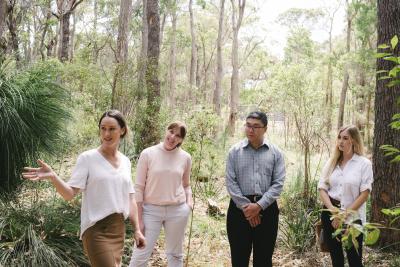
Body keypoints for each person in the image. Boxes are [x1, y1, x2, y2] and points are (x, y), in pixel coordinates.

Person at [22, 110, 146, 267]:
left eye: (112, 129)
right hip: (96, 229)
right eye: (103, 128)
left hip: (118, 229)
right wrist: (53, 177)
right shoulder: (88, 158)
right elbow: (69, 194)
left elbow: (130, 198)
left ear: (122, 130)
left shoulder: (126, 162)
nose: (106, 133)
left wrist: (136, 230)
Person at [225, 111, 286, 267]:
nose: (250, 130)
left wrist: (258, 206)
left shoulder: (275, 153)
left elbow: (278, 183)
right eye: (248, 125)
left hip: (267, 211)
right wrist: (247, 208)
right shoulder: (235, 152)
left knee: (264, 260)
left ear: (265, 128)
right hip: (239, 212)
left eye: (256, 126)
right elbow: (231, 182)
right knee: (239, 259)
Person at [129, 121, 193, 267]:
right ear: (166, 131)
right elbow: (138, 188)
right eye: (171, 132)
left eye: (178, 135)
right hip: (150, 210)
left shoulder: (185, 157)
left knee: (175, 255)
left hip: (177, 210)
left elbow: (186, 185)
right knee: (139, 255)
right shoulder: (148, 153)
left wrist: (188, 204)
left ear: (181, 140)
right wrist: (139, 220)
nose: (172, 137)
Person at [318, 125, 373, 267]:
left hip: (353, 217)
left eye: (345, 138)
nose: (340, 141)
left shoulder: (364, 164)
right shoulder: (331, 162)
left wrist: (343, 216)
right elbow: (322, 189)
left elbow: (365, 194)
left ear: (354, 140)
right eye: (339, 137)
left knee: (354, 260)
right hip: (330, 215)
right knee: (336, 260)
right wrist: (332, 210)